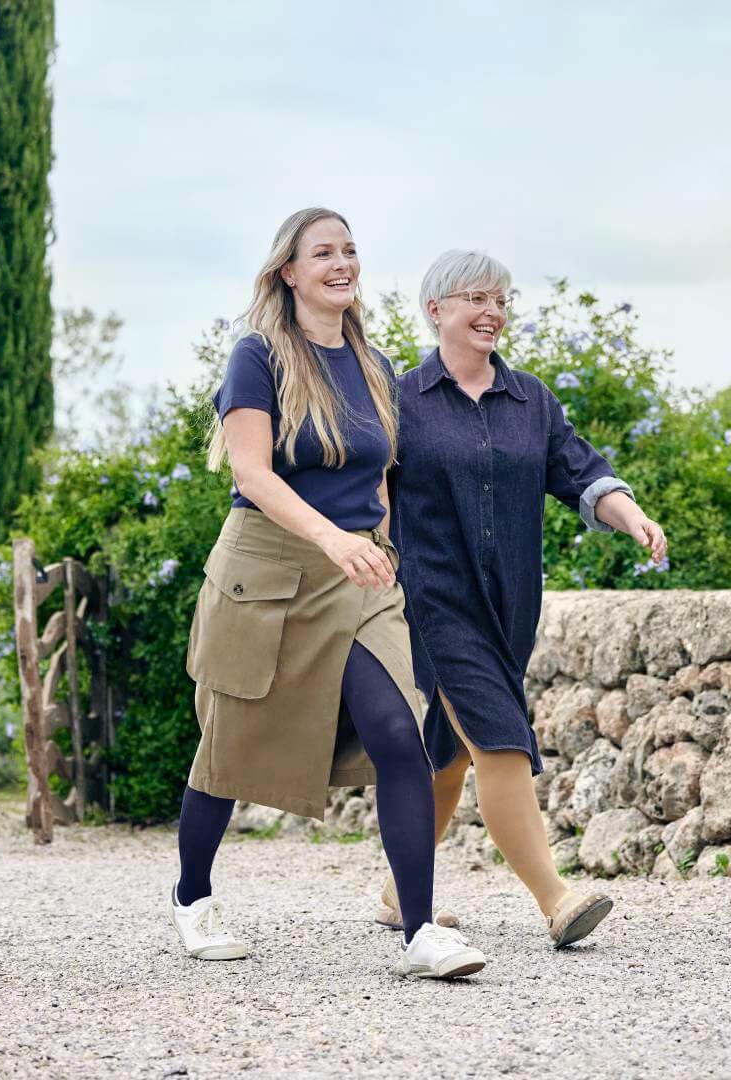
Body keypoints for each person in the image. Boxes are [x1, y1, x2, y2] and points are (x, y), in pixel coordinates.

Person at [170, 209, 485, 980]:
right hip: (266, 572)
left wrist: (371, 538)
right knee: (227, 748)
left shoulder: (373, 364)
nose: (340, 262)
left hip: (356, 576)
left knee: (394, 731)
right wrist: (331, 538)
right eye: (322, 252)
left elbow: (377, 468)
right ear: (289, 271)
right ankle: (193, 896)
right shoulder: (258, 357)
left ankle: (419, 933)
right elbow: (252, 474)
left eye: (348, 250)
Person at [381, 249, 668, 947]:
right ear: (437, 310)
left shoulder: (530, 399)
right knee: (501, 741)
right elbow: (366, 488)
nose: (492, 312)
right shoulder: (396, 401)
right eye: (475, 298)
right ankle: (555, 898)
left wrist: (626, 511)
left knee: (449, 752)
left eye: (501, 300)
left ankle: (397, 889)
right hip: (430, 600)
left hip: (508, 610)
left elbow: (578, 470)